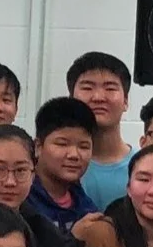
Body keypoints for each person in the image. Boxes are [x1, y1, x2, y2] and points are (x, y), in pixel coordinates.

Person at [69, 52, 135, 208]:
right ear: (71, 98)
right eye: (87, 88)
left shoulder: (142, 167)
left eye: (110, 88)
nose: (98, 97)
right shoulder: (54, 165)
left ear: (126, 101)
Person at [28, 98, 100, 234]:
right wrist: (73, 238)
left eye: (84, 146)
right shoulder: (21, 200)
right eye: (62, 144)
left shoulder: (86, 207)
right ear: (38, 147)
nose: (74, 155)